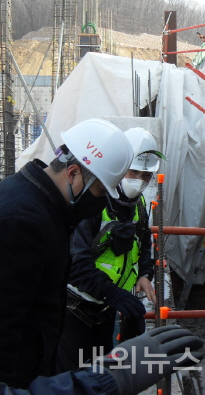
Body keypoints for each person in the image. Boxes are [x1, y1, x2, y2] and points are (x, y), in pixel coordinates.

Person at [0, 0, 204, 395]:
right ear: (76, 172)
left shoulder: (39, 207)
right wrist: (110, 379)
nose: (104, 199)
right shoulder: (22, 220)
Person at [0, 117, 137, 388]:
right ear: (73, 173)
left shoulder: (37, 201)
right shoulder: (22, 220)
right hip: (0, 379)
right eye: (98, 191)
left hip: (24, 368)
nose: (99, 202)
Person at [56, 127, 165, 372]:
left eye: (146, 175)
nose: (140, 180)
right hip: (76, 309)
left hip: (106, 310)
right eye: (134, 171)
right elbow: (76, 263)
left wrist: (144, 274)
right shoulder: (93, 202)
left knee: (101, 372)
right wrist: (117, 295)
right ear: (118, 167)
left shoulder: (139, 205)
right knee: (75, 377)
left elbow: (144, 242)